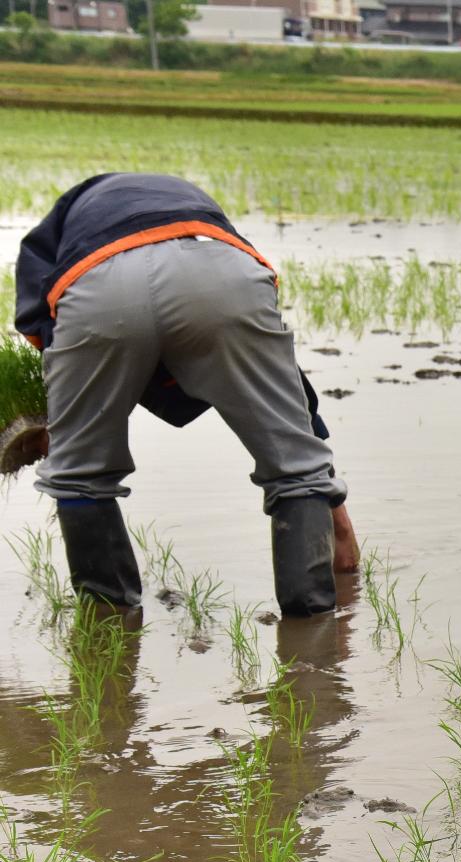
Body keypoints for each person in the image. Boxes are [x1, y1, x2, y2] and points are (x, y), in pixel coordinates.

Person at [14, 173, 358, 617]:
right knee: (297, 468)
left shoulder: (61, 224)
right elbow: (292, 395)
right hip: (220, 273)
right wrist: (335, 510)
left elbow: (42, 323)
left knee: (79, 475)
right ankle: (312, 643)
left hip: (98, 283)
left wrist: (66, 419)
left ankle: (108, 637)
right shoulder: (202, 214)